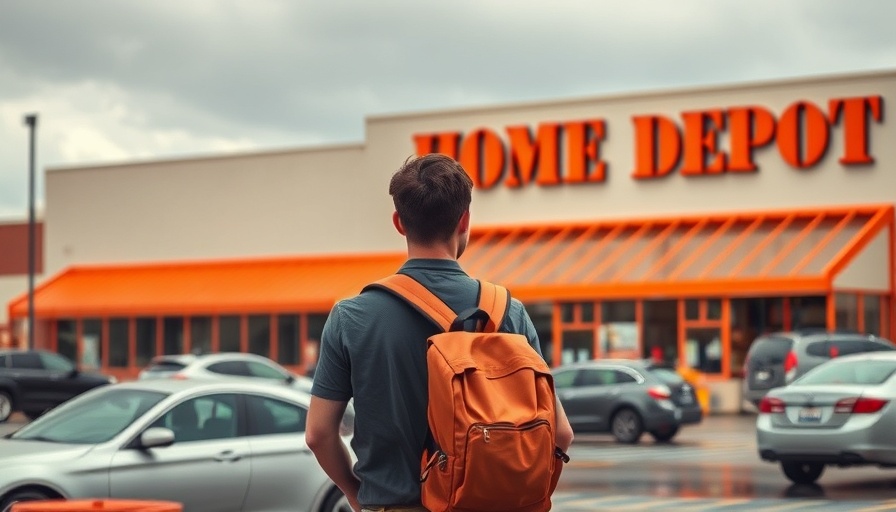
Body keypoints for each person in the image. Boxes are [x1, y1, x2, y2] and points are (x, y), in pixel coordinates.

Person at [306, 154, 574, 512]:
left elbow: (319, 434)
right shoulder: (509, 312)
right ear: (464, 220)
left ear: (399, 223)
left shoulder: (351, 317)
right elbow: (561, 433)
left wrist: (356, 494)